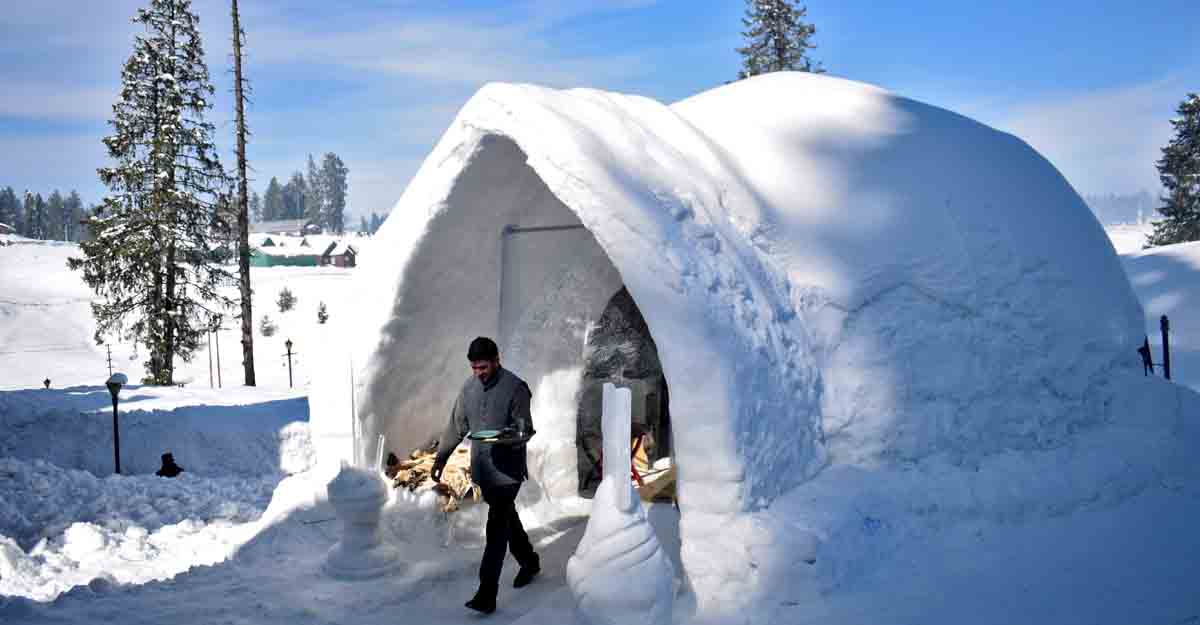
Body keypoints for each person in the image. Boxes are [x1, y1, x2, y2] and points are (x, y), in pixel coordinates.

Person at [431, 337, 540, 615]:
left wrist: (508, 437)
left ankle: (486, 592)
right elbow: (456, 426)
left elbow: (525, 430)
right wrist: (441, 457)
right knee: (505, 518)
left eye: (483, 366)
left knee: (495, 528)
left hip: (507, 471)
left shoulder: (516, 388)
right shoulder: (468, 389)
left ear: (496, 360)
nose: (479, 372)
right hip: (483, 470)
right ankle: (529, 561)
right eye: (474, 367)